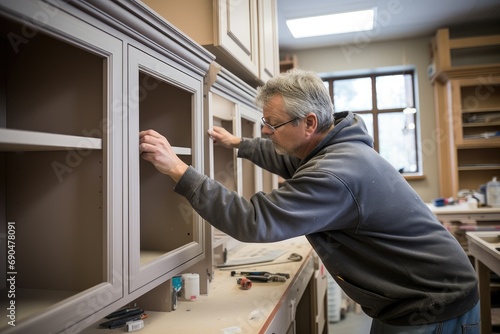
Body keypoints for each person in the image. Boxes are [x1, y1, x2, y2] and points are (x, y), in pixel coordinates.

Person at [139, 68, 479, 333]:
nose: (266, 132)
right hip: (418, 295)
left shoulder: (335, 172)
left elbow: (254, 220)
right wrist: (239, 143)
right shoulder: (337, 146)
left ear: (309, 122)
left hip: (431, 305)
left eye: (272, 124)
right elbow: (289, 158)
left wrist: (178, 170)